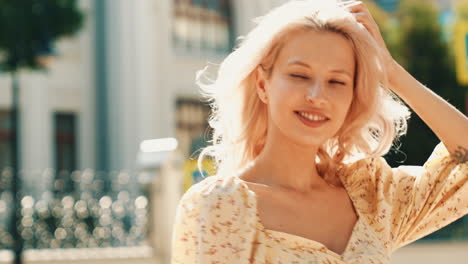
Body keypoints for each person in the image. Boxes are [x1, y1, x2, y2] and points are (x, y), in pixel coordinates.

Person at [171, 0, 468, 263]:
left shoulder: (372, 197)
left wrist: (391, 72)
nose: (317, 95)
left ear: (353, 95)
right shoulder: (221, 205)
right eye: (299, 75)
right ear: (263, 84)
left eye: (337, 82)